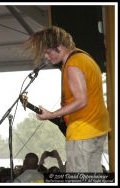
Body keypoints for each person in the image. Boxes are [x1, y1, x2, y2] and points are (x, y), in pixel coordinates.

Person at [24, 26, 111, 173]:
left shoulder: (72, 64)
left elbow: (81, 100)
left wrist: (52, 114)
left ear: (59, 46)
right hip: (97, 129)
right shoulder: (84, 58)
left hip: (82, 132)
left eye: (47, 51)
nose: (46, 56)